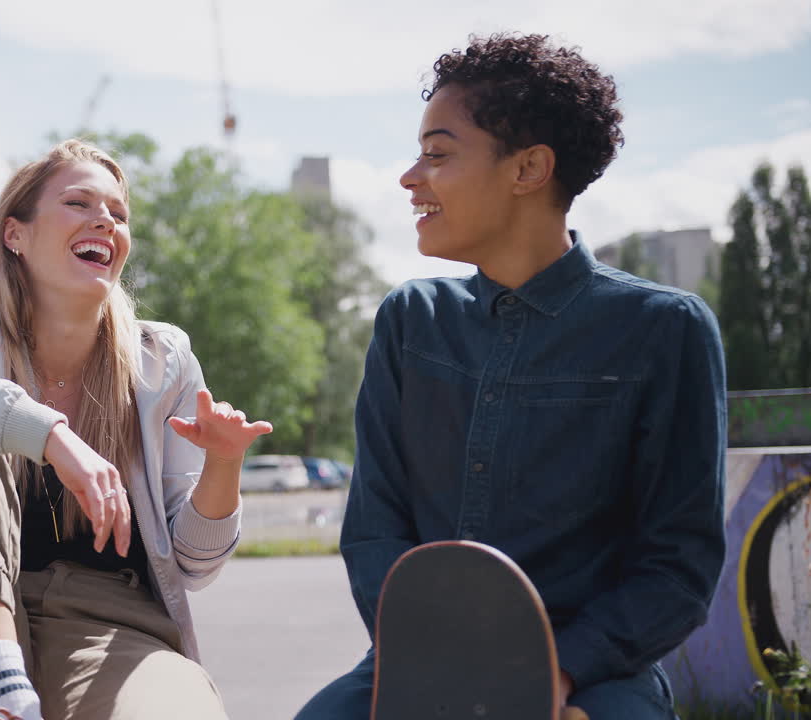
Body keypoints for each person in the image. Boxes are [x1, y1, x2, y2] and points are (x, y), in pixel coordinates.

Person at [296, 33, 726, 720]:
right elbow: (375, 531)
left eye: (438, 154)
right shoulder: (410, 321)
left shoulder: (665, 329)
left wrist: (560, 669)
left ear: (528, 168)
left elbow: (677, 566)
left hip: (595, 672)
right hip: (421, 659)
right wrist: (436, 660)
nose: (410, 178)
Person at [0, 139, 272, 720]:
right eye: (78, 203)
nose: (106, 221)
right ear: (15, 235)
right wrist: (47, 434)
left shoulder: (159, 362)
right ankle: (5, 694)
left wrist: (223, 465)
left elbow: (195, 565)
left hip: (107, 629)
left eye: (118, 214)